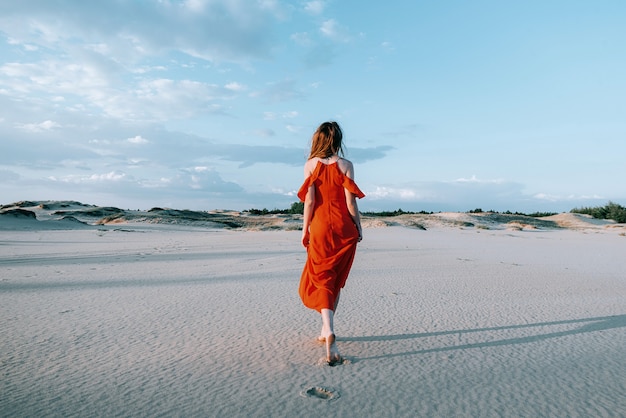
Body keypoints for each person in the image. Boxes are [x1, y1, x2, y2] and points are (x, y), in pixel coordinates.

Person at [297, 121, 365, 365]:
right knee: (334, 278)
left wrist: (305, 230)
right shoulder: (346, 165)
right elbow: (351, 203)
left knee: (321, 277)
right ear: (337, 140)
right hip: (343, 227)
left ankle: (328, 329)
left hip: (320, 227)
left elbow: (310, 202)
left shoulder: (310, 165)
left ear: (318, 140)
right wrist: (358, 226)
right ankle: (327, 329)